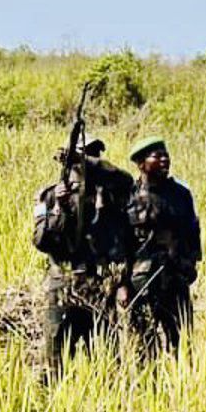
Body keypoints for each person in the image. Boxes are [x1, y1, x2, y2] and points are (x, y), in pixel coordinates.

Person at [32, 132, 134, 372]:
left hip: (99, 284)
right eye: (85, 153)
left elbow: (124, 179)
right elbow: (41, 241)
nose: (91, 159)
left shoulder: (112, 193)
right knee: (55, 357)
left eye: (94, 154)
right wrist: (59, 209)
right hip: (63, 286)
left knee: (106, 358)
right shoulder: (49, 195)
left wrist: (83, 161)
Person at [122, 137, 201, 355]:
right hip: (142, 281)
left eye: (166, 155)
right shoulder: (129, 196)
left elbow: (193, 231)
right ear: (141, 164)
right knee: (144, 343)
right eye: (157, 156)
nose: (165, 159)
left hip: (176, 278)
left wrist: (191, 264)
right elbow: (122, 244)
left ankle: (181, 383)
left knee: (182, 341)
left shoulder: (181, 194)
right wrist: (122, 284)